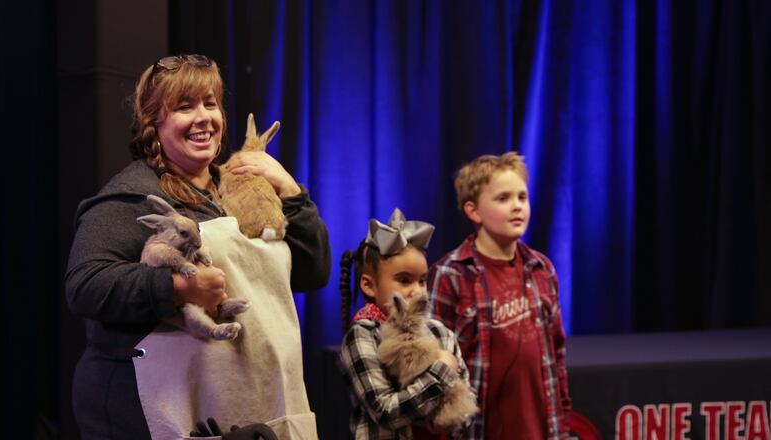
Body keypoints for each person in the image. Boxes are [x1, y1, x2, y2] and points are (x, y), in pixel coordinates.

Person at [65, 54, 331, 439]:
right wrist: (179, 289)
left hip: (250, 407)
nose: (204, 117)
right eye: (185, 107)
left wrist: (291, 193)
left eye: (211, 103)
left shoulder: (240, 187)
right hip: (160, 415)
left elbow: (312, 271)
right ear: (153, 122)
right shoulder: (132, 197)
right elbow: (85, 284)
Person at [427, 152, 572, 440]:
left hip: (540, 429)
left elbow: (556, 355)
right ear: (474, 211)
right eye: (503, 198)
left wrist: (563, 424)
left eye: (522, 197)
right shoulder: (451, 274)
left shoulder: (541, 269)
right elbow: (434, 361)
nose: (517, 206)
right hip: (479, 430)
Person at [338, 208, 474, 440]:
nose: (417, 290)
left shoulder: (439, 332)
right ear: (369, 285)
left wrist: (454, 418)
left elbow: (464, 403)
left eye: (422, 281)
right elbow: (386, 411)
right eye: (404, 280)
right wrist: (440, 371)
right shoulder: (363, 334)